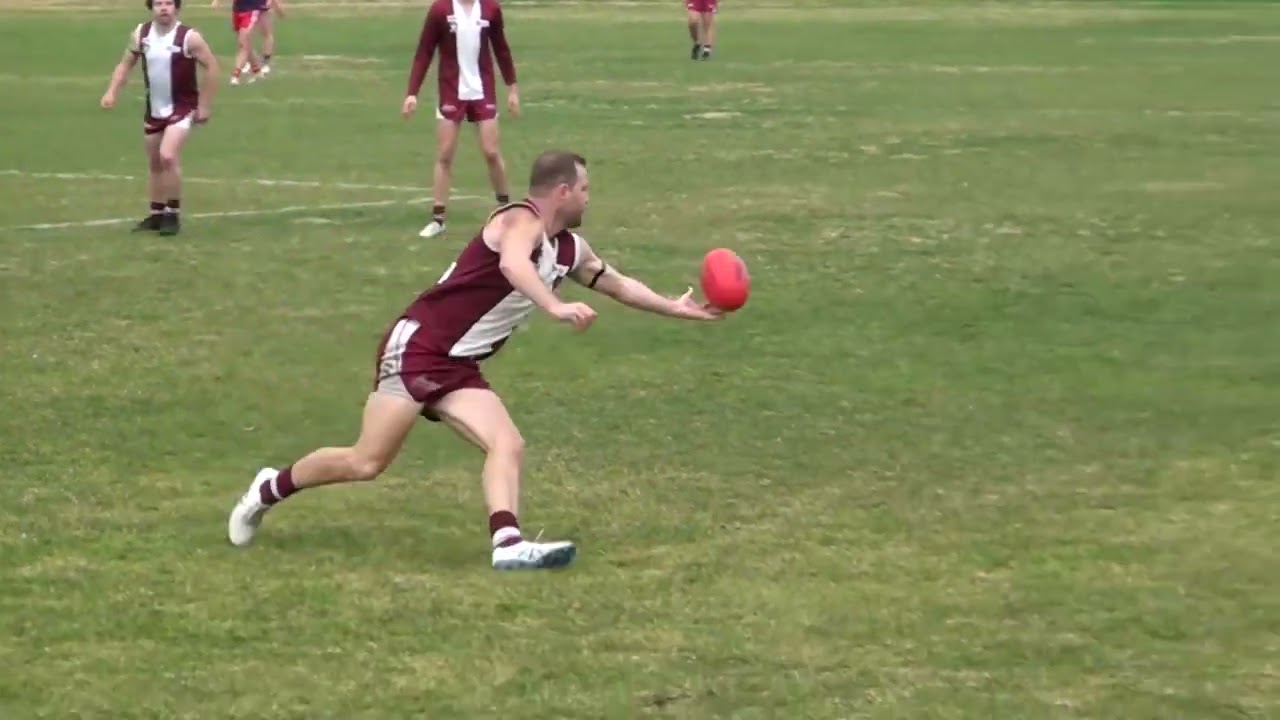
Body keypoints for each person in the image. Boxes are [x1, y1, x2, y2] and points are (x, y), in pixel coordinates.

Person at [226, 150, 725, 570]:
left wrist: (676, 308)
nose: (590, 198)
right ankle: (270, 486)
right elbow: (511, 264)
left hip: (459, 364)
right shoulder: (517, 221)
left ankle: (507, 544)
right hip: (419, 346)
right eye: (586, 189)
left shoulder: (569, 249)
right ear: (562, 191)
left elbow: (617, 284)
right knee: (366, 461)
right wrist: (554, 305)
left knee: (507, 443)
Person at [402, 0, 521, 239]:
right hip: (451, 90)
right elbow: (424, 51)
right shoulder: (440, 10)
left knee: (491, 151)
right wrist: (412, 93)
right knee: (445, 153)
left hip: (482, 90)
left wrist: (512, 89)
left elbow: (501, 49)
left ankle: (506, 210)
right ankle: (438, 219)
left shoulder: (490, 9)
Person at [100, 0, 219, 236]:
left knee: (167, 156)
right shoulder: (141, 34)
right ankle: (156, 215)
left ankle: (172, 214)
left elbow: (212, 66)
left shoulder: (189, 37)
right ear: (150, 7)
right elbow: (125, 64)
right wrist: (112, 91)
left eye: (168, 3)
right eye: (158, 3)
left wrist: (204, 105)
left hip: (182, 107)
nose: (163, 8)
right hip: (155, 108)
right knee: (154, 162)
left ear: (176, 7)